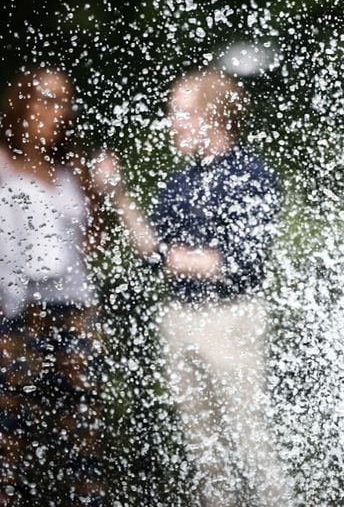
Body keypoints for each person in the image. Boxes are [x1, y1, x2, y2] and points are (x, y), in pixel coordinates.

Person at [91, 69, 293, 506]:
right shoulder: (177, 183)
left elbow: (238, 262)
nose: (173, 124)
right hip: (180, 319)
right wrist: (119, 195)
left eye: (182, 113)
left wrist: (180, 259)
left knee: (250, 441)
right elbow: (153, 254)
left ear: (214, 114)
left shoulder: (251, 175)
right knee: (205, 451)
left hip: (231, 319)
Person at [0, 68, 105, 505]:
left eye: (63, 101)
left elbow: (92, 244)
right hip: (16, 312)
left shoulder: (70, 169)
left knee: (83, 426)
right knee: (11, 434)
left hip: (74, 310)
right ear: (22, 102)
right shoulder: (3, 162)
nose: (55, 110)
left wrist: (104, 190)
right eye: (45, 98)